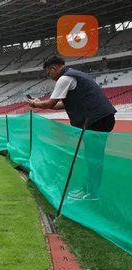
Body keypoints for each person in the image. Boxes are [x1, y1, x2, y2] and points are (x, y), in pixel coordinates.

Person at [27, 55, 116, 200]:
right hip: (103, 118)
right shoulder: (75, 75)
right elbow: (63, 104)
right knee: (93, 157)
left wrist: (35, 104)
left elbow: (50, 103)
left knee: (92, 158)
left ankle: (91, 193)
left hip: (96, 120)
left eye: (48, 72)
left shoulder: (64, 78)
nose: (48, 75)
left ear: (54, 68)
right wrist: (41, 103)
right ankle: (90, 190)